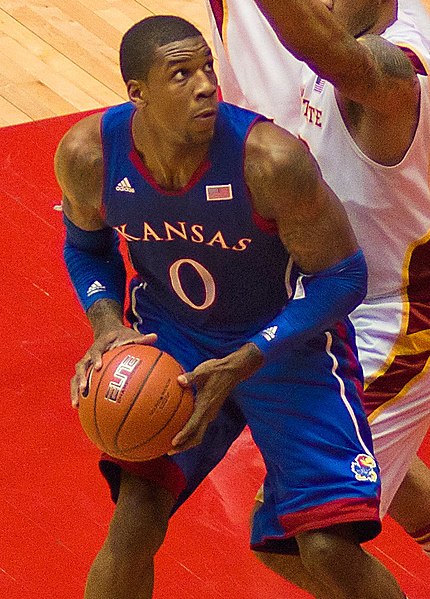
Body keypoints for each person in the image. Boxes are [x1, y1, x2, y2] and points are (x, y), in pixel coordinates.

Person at [54, 14, 408, 599]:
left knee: (322, 546)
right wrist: (107, 324)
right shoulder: (89, 154)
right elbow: (85, 247)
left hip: (286, 348)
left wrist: (254, 353)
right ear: (137, 92)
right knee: (133, 522)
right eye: (181, 73)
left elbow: (343, 277)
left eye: (206, 67)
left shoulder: (269, 160)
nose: (205, 85)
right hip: (176, 340)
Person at [205, 0, 430, 586]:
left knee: (300, 535)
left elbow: (324, 50)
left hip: (402, 312)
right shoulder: (338, 34)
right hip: (330, 294)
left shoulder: (398, 62)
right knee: (367, 456)